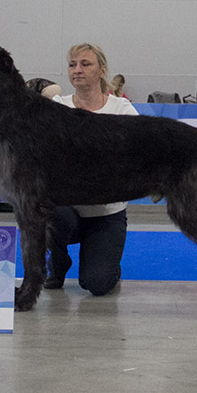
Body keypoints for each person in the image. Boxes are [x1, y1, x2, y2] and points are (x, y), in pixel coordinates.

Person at [45, 43, 139, 296]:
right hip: (68, 210)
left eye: (85, 64)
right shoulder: (57, 106)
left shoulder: (122, 109)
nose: (77, 70)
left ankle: (108, 265)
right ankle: (59, 261)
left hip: (106, 214)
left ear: (102, 71)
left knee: (97, 284)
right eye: (72, 65)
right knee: (46, 207)